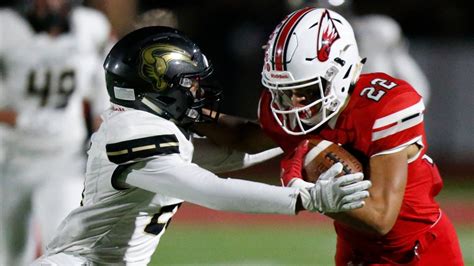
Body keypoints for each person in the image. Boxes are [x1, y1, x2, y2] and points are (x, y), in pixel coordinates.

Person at [31, 26, 372, 265]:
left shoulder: (153, 126)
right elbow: (210, 191)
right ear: (158, 86)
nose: (197, 92)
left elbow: (234, 153)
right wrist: (306, 198)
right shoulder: (130, 130)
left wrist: (309, 129)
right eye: (189, 83)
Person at [259, 7, 463, 265]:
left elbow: (380, 218)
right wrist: (198, 116)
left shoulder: (384, 106)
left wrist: (311, 197)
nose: (296, 104)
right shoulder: (305, 111)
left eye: (307, 91)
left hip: (417, 254)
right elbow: (248, 137)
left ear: (338, 73)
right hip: (354, 251)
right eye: (287, 93)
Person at [0, 1, 111, 265]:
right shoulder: (6, 27)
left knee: (63, 247)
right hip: (10, 155)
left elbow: (101, 84)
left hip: (65, 156)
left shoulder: (91, 26)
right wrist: (25, 120)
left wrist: (105, 124)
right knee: (10, 253)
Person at [285, 0, 431, 106]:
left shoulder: (378, 32)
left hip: (376, 112)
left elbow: (417, 85)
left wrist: (400, 112)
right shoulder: (295, 45)